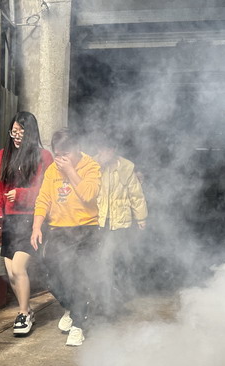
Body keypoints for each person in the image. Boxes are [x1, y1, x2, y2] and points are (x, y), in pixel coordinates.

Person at [31, 129, 101, 346]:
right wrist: (36, 226)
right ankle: (73, 307)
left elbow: (88, 194)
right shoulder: (52, 170)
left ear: (77, 148)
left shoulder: (91, 166)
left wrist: (70, 170)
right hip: (59, 230)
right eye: (58, 154)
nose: (61, 159)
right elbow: (43, 199)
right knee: (51, 276)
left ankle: (78, 325)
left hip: (85, 230)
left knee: (77, 277)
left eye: (66, 154)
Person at [0, 112, 53, 335]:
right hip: (10, 220)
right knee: (11, 272)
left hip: (33, 219)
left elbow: (46, 190)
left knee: (18, 267)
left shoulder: (43, 156)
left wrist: (22, 194)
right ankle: (27, 310)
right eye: (14, 132)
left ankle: (23, 313)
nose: (16, 137)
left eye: (21, 133)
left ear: (31, 134)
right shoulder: (4, 155)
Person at [93, 134, 148, 316]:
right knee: (101, 258)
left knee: (109, 257)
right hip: (97, 220)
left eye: (108, 149)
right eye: (101, 148)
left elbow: (136, 194)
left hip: (119, 221)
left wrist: (141, 217)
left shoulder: (126, 167)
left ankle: (109, 300)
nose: (105, 152)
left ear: (114, 149)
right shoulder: (92, 165)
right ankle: (104, 297)